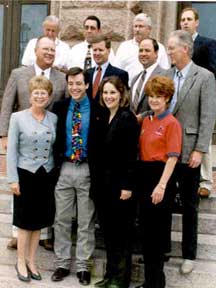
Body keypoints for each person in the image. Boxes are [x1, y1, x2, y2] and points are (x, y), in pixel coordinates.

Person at [0, 35, 66, 251]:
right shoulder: (19, 74)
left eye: (52, 50)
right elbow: (7, 103)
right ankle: (17, 234)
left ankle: (44, 234)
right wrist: (4, 135)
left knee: (42, 194)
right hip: (22, 135)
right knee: (20, 190)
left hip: (47, 140)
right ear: (36, 50)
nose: (49, 53)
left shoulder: (61, 78)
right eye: (45, 49)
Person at [166, 30, 216, 274]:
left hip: (189, 153)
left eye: (171, 47)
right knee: (163, 203)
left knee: (189, 206)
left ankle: (189, 254)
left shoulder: (204, 77)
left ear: (185, 49)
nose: (168, 51)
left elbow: (208, 117)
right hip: (165, 153)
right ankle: (163, 248)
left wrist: (199, 150)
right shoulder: (166, 75)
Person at [51, 67, 104, 285]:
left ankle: (83, 266)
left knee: (85, 220)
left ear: (86, 85)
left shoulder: (97, 108)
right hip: (64, 167)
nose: (74, 87)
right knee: (61, 219)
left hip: (87, 169)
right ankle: (63, 262)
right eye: (71, 83)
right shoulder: (60, 107)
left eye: (78, 83)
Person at [7, 76, 57, 282]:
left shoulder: (53, 118)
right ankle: (20, 261)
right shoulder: (17, 117)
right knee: (25, 222)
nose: (39, 96)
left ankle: (31, 260)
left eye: (43, 93)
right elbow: (12, 150)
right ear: (30, 95)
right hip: (25, 174)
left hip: (46, 175)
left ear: (48, 96)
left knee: (39, 222)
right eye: (36, 92)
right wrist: (12, 179)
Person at [135, 75, 182, 288]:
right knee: (145, 233)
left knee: (157, 235)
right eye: (151, 96)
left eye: (159, 96)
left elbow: (173, 157)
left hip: (161, 178)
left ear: (167, 98)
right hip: (144, 177)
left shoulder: (172, 123)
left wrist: (161, 185)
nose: (154, 100)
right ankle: (150, 282)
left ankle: (155, 283)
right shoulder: (146, 120)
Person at [94, 76, 139, 288]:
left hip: (121, 187)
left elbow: (131, 155)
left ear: (121, 94)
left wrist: (127, 186)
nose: (108, 96)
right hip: (103, 187)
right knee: (109, 235)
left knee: (121, 235)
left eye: (112, 92)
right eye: (105, 93)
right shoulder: (103, 116)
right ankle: (110, 275)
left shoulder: (127, 118)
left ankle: (121, 280)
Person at [180, 7, 216, 198]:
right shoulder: (177, 44)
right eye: (182, 20)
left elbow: (213, 69)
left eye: (188, 19)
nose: (185, 22)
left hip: (202, 95)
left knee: (204, 135)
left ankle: (206, 182)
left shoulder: (208, 44)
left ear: (197, 22)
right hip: (182, 99)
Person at [114, 13, 169, 85]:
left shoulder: (159, 48)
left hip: (152, 90)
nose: (137, 29)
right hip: (128, 90)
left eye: (141, 26)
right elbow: (116, 71)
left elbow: (165, 72)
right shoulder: (124, 47)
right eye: (135, 26)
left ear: (149, 29)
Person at [130, 38, 166, 123]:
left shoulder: (164, 76)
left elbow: (165, 106)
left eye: (147, 50)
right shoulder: (135, 79)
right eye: (141, 50)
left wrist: (141, 117)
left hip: (153, 127)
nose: (143, 54)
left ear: (156, 54)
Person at [86, 34, 129, 102]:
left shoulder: (120, 74)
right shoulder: (87, 73)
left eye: (100, 50)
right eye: (95, 50)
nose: (97, 53)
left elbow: (123, 101)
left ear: (108, 51)